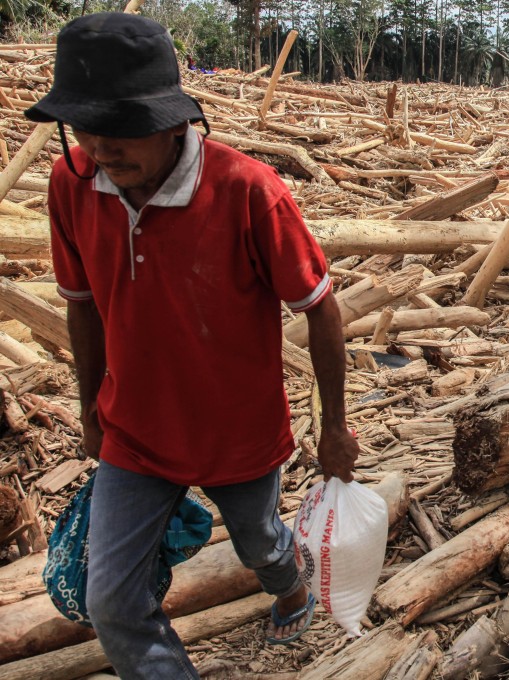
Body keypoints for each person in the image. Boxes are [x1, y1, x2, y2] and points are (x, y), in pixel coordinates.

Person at [24, 13, 359, 678]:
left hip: (238, 431)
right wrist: (93, 409)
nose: (99, 148)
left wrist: (336, 428)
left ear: (174, 121)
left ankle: (288, 585)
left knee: (261, 544)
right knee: (112, 601)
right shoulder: (73, 184)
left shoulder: (248, 193)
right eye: (84, 128)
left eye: (118, 130)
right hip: (136, 431)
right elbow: (81, 307)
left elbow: (322, 312)